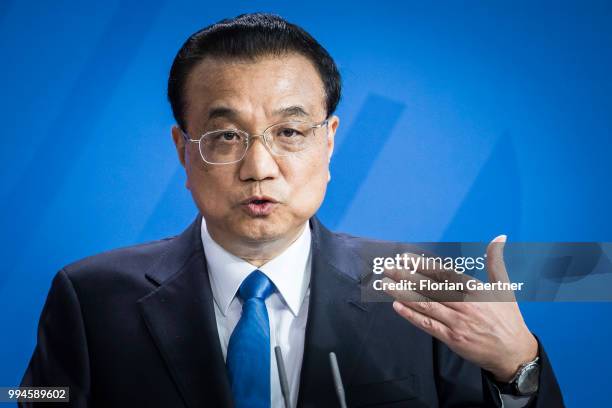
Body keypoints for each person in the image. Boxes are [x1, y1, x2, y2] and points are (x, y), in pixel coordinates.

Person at [21, 13, 564, 407]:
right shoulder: (89, 295)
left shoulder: (420, 287)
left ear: (328, 144)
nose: (259, 166)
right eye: (227, 135)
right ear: (184, 151)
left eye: (289, 131)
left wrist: (518, 366)